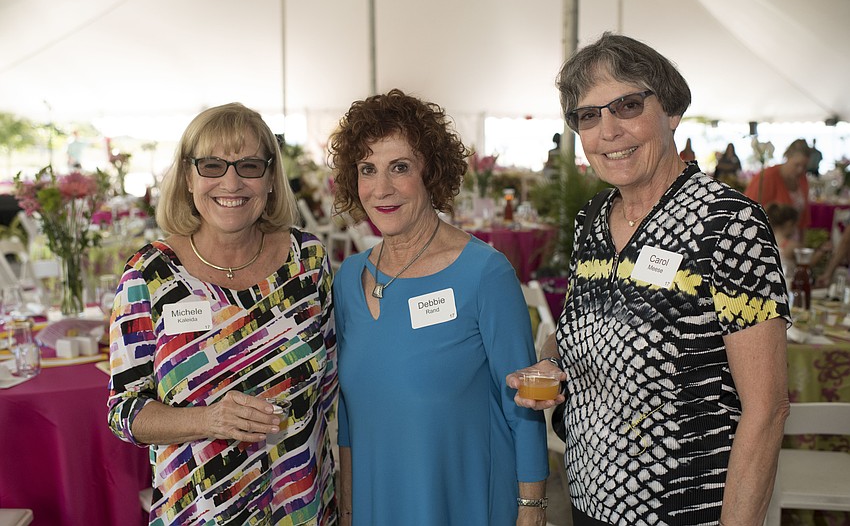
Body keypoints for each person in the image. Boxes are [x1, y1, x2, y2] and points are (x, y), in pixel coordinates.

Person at [508, 33, 790, 525]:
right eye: (588, 115)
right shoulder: (592, 220)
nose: (608, 131)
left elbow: (766, 410)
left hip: (686, 508)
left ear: (671, 111)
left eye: (628, 106)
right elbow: (578, 328)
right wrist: (550, 363)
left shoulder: (727, 223)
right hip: (589, 500)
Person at [107, 103, 338, 525]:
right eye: (212, 165)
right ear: (188, 177)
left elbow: (330, 388)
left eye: (249, 166)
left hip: (301, 506)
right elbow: (124, 412)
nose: (231, 182)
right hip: (200, 512)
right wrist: (209, 419)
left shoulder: (306, 259)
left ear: (270, 178)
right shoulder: (150, 274)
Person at [328, 89, 549, 526]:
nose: (381, 188)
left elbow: (523, 402)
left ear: (431, 172)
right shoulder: (349, 279)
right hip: (378, 499)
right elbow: (350, 414)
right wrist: (349, 502)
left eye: (400, 167)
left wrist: (532, 507)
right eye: (368, 169)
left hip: (461, 499)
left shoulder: (484, 273)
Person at [744, 138, 811, 235]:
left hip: (793, 238)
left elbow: (803, 218)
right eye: (797, 165)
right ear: (788, 157)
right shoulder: (767, 177)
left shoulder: (802, 179)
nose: (800, 170)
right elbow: (750, 211)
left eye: (804, 166)